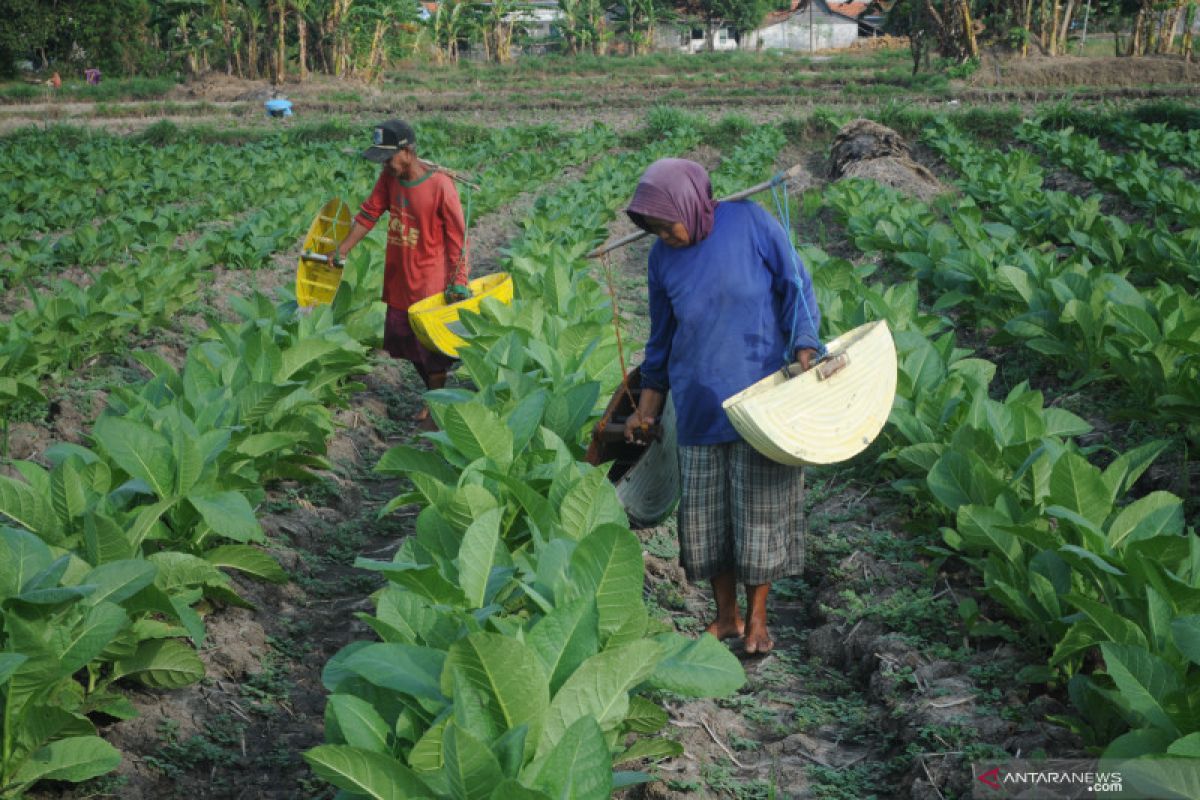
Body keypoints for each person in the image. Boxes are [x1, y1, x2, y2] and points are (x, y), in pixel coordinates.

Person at [623, 158, 820, 655]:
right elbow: (661, 340)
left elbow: (796, 285)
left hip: (763, 400)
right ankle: (725, 617)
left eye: (668, 224)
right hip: (699, 403)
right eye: (654, 229)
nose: (664, 235)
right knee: (709, 522)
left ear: (691, 203)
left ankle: (758, 620)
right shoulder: (661, 260)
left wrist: (805, 349)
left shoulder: (750, 222)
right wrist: (647, 407)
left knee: (760, 515)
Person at [334, 119, 469, 429]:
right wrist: (343, 249)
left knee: (430, 350)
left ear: (407, 152)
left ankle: (436, 404)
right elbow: (369, 212)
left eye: (389, 157)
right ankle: (433, 395)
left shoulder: (440, 187)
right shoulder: (389, 178)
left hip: (429, 281)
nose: (386, 164)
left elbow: (457, 240)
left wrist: (458, 280)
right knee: (402, 340)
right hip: (399, 278)